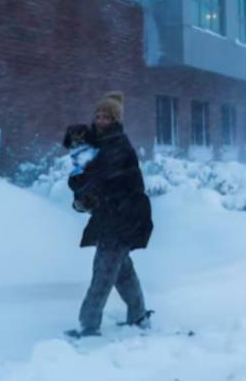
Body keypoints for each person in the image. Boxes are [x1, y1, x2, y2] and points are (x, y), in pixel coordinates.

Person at [65, 92, 154, 339]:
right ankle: (138, 315)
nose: (100, 120)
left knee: (103, 272)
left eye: (106, 116)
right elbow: (87, 175)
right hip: (112, 215)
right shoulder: (100, 144)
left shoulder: (119, 147)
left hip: (124, 216)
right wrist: (79, 186)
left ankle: (88, 325)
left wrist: (85, 191)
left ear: (115, 120)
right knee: (122, 271)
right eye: (98, 115)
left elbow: (104, 180)